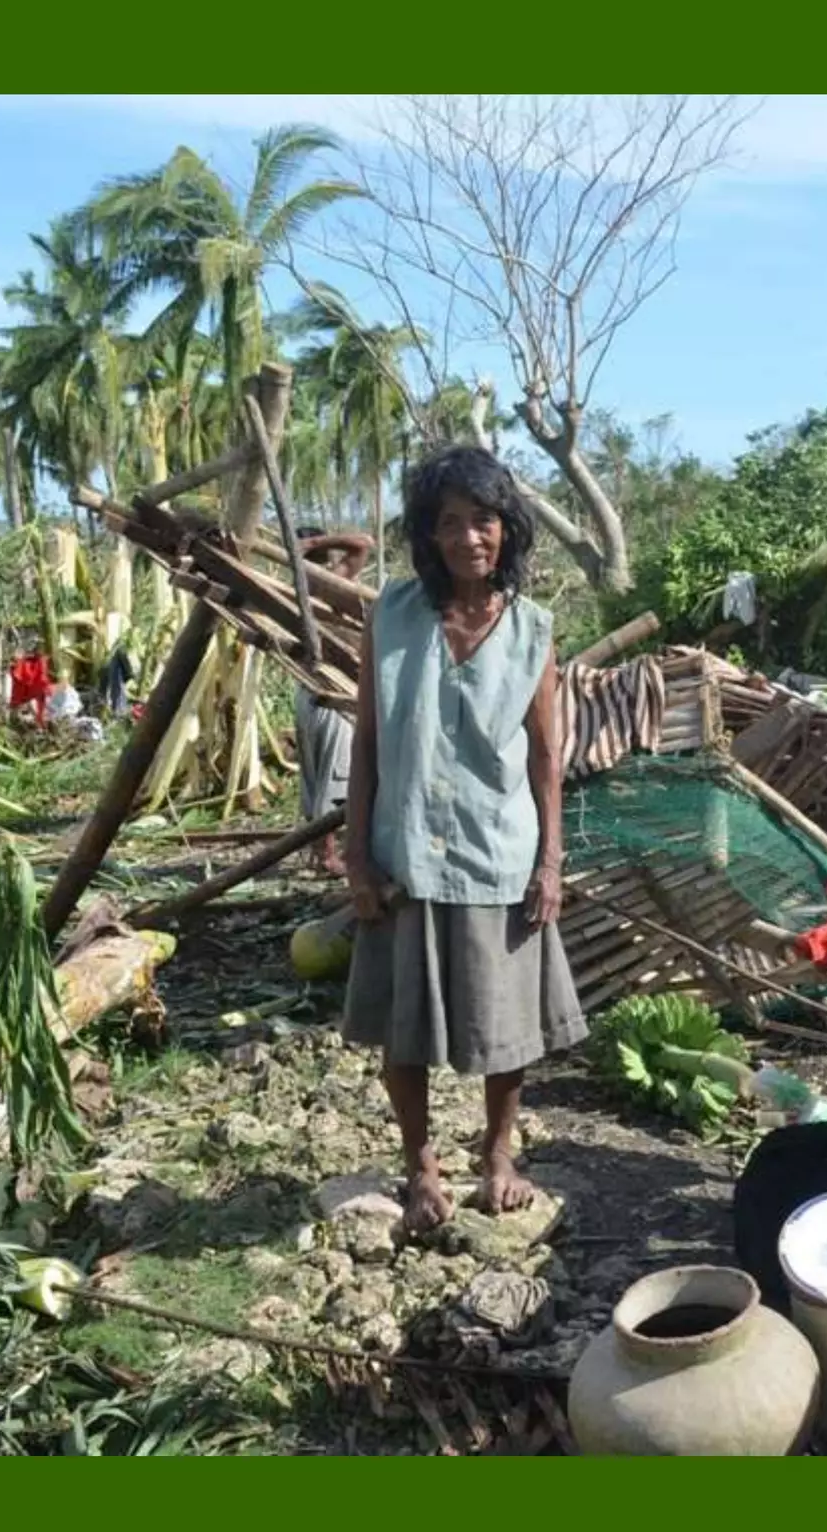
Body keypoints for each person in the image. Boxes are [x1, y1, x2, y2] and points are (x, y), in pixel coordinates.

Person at [342, 449, 587, 1233]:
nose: (468, 537)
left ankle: (498, 1156)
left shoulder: (532, 630)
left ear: (506, 528)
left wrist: (550, 862)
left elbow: (547, 757)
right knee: (403, 1029)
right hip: (406, 852)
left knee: (503, 1025)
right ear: (428, 535)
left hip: (497, 855)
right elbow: (370, 743)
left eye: (482, 520)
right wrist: (355, 854)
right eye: (448, 523)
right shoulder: (393, 616)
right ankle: (420, 1168)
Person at [294, 528, 374, 877]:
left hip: (312, 692)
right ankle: (327, 855)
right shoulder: (323, 583)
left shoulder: (304, 586)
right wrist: (312, 545)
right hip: (330, 694)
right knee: (334, 776)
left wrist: (309, 547)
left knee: (318, 775)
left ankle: (320, 851)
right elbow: (364, 543)